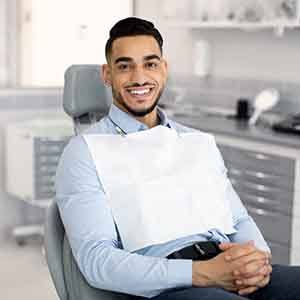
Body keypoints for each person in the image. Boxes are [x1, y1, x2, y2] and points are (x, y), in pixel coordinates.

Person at [55, 17, 300, 300]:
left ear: (164, 69)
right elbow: (97, 261)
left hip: (229, 268)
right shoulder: (85, 152)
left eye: (150, 64)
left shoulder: (197, 141)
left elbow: (239, 219)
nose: (139, 77)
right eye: (124, 66)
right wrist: (203, 273)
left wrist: (257, 262)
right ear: (107, 74)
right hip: (171, 285)